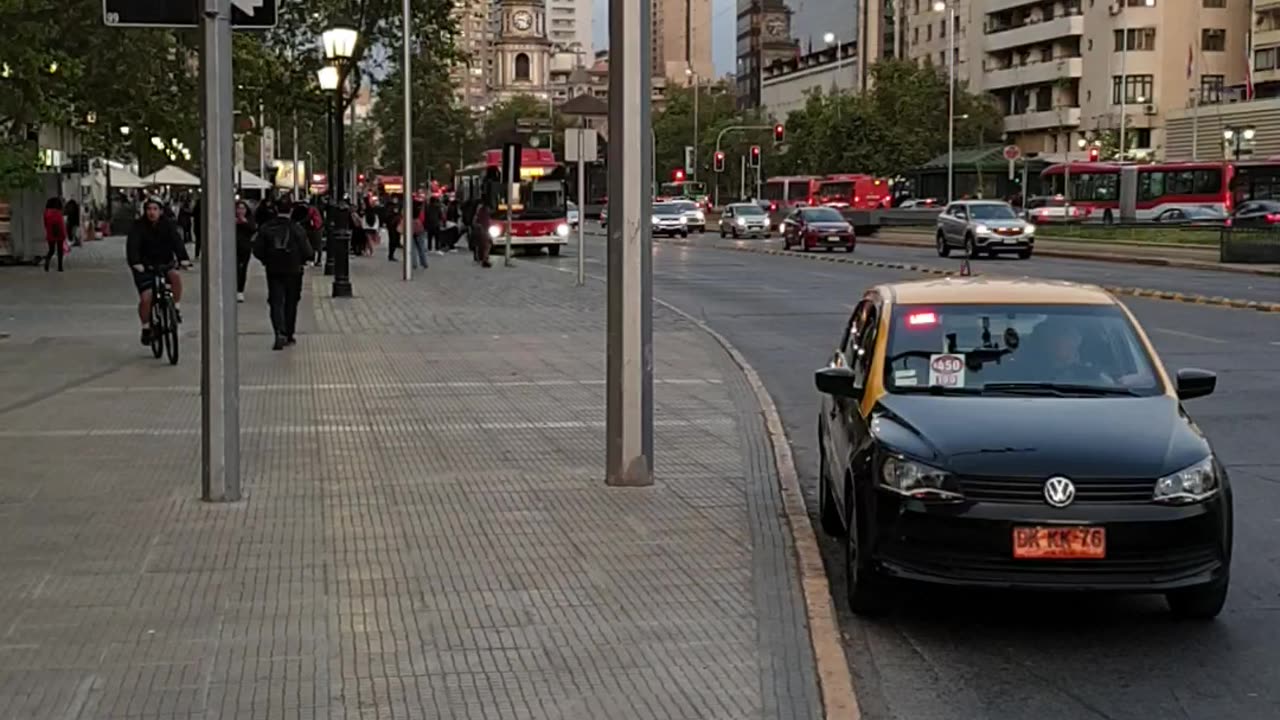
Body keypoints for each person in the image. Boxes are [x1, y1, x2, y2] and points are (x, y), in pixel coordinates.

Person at [126, 197, 191, 346]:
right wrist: (136, 262)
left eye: (155, 209)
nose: (152, 212)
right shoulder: (138, 226)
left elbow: (177, 242)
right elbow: (132, 245)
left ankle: (175, 307)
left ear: (161, 211)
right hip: (145, 266)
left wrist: (183, 259)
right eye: (149, 209)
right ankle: (146, 327)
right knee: (146, 298)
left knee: (175, 276)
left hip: (164, 263)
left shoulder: (167, 225)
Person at [253, 199, 313, 351]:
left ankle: (279, 330)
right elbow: (307, 251)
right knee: (291, 302)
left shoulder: (267, 227)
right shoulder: (296, 229)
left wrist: (267, 260)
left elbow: (257, 249)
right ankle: (289, 333)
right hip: (294, 270)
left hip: (274, 269)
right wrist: (302, 260)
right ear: (291, 211)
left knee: (276, 301)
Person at [234, 200, 256, 303]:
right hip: (232, 247)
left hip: (245, 248)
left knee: (242, 269)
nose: (240, 211)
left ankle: (240, 290)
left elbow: (253, 229)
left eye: (243, 208)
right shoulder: (231, 219)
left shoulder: (249, 219)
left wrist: (245, 222)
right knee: (234, 269)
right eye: (238, 208)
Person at [43, 197, 67, 272]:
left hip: (50, 233)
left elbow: (45, 224)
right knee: (60, 250)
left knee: (51, 250)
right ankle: (60, 267)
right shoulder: (59, 212)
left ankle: (47, 261)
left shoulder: (46, 212)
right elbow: (61, 224)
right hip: (60, 233)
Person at [409, 199, 429, 270]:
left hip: (410, 227)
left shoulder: (408, 211)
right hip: (419, 227)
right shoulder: (420, 211)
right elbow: (423, 219)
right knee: (421, 247)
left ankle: (414, 263)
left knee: (412, 248)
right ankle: (424, 263)